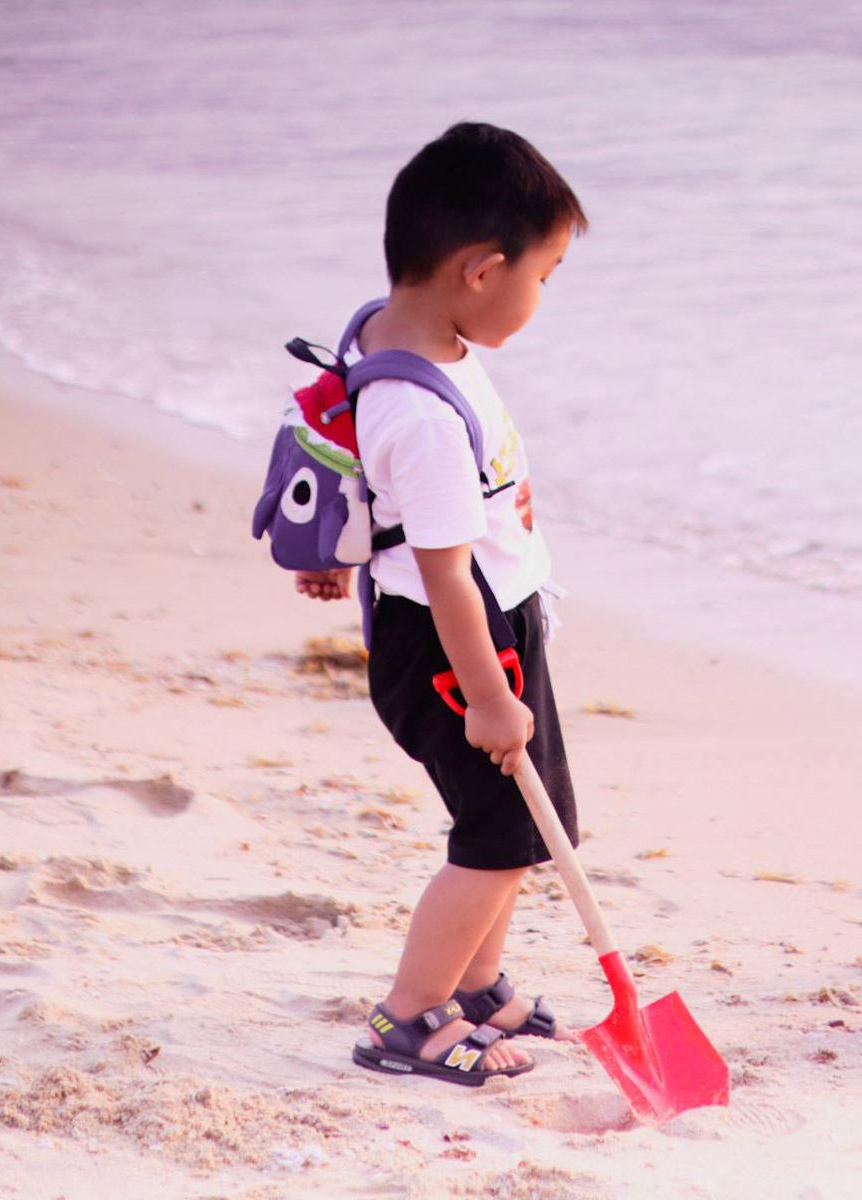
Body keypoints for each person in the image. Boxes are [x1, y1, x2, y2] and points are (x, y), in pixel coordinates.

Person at [293, 122, 587, 1082]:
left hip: (488, 618)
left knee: (527, 827)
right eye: (542, 279)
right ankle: (409, 1017)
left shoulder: (401, 328)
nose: (542, 300)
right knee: (498, 838)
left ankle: (474, 984)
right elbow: (447, 570)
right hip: (458, 643)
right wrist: (491, 696)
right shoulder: (418, 411)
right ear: (479, 270)